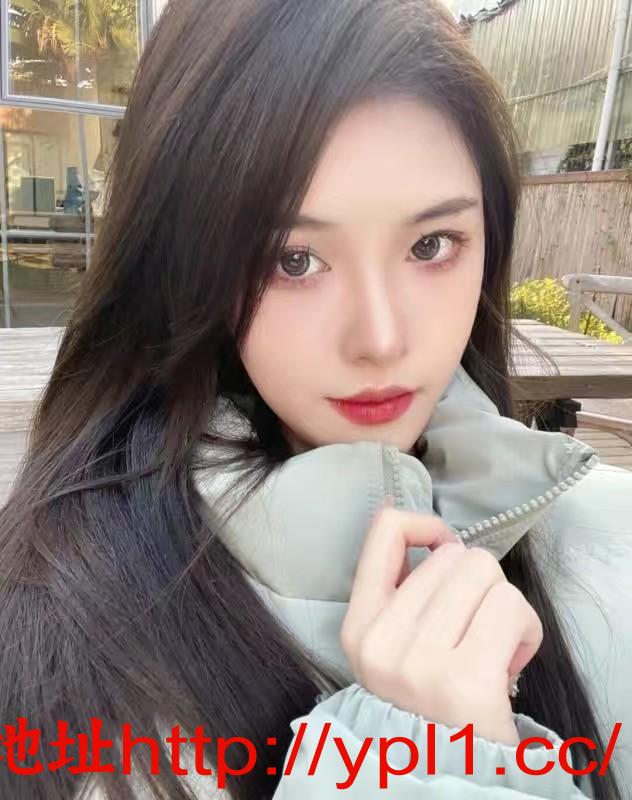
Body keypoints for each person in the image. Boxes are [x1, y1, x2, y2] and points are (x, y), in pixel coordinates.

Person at [0, 0, 629, 798]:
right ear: (182, 265)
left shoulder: (610, 548)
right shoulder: (51, 651)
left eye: (431, 244)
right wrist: (425, 764)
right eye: (293, 260)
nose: (381, 339)